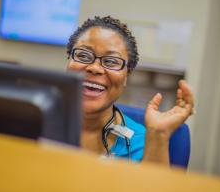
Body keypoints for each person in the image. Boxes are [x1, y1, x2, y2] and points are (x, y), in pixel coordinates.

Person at [66, 16, 194, 165]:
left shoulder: (142, 142)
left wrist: (158, 135)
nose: (94, 68)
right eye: (83, 55)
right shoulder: (38, 121)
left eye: (111, 61)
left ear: (126, 76)